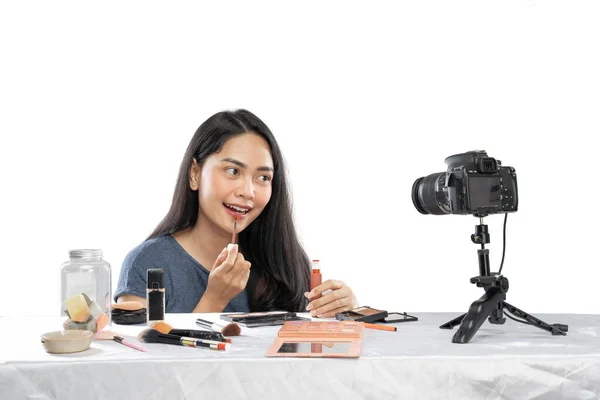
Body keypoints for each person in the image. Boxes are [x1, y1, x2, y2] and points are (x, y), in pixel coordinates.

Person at [114, 109, 357, 317]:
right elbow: (142, 365)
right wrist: (215, 299)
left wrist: (343, 313)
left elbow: (306, 361)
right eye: (232, 171)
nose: (248, 192)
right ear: (194, 174)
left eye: (263, 177)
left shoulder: (284, 263)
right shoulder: (147, 264)